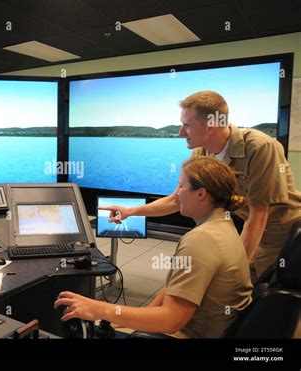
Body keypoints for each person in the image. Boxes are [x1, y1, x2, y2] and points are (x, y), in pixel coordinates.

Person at [102, 91, 301, 282]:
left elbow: (259, 214)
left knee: (267, 299)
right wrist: (130, 211)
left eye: (186, 125)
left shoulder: (260, 147)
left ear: (212, 125)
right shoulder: (201, 153)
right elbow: (176, 199)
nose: (180, 132)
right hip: (250, 227)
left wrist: (233, 272)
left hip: (282, 233)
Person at [55, 157, 252, 338]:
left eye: (180, 186)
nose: (176, 194)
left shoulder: (202, 240)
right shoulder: (224, 227)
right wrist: (135, 320)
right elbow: (174, 290)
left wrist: (101, 309)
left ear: (200, 194)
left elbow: (171, 320)